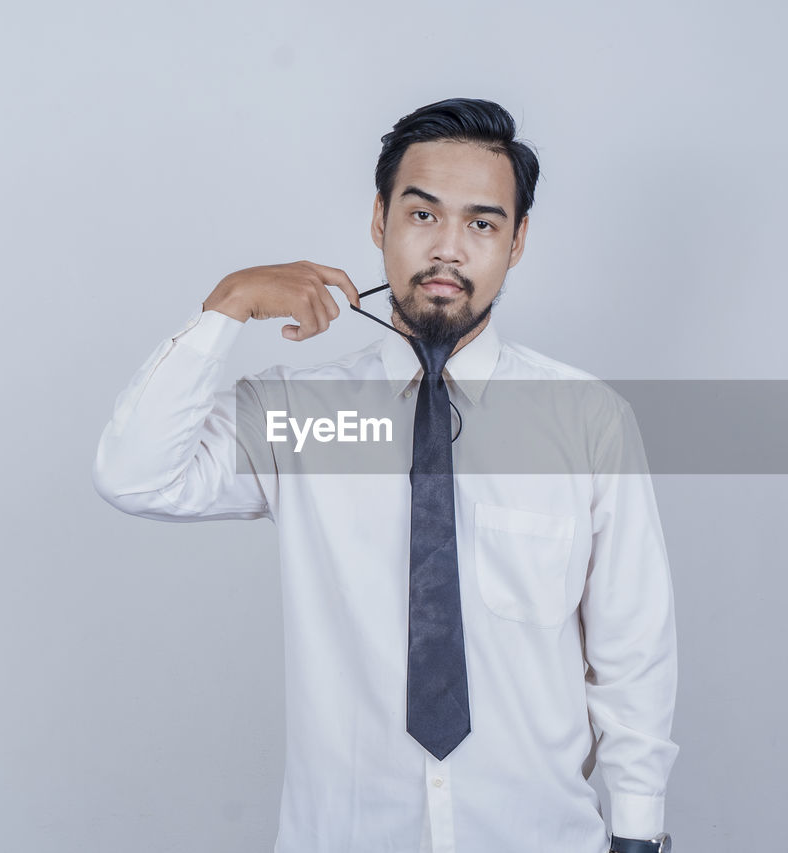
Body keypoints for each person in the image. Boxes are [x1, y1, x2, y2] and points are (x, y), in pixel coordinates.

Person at [92, 97, 678, 853]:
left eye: (482, 223)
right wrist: (226, 308)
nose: (448, 250)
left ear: (518, 240)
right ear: (380, 220)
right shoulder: (298, 416)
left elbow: (633, 649)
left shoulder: (586, 422)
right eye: (423, 215)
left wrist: (637, 833)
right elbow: (135, 475)